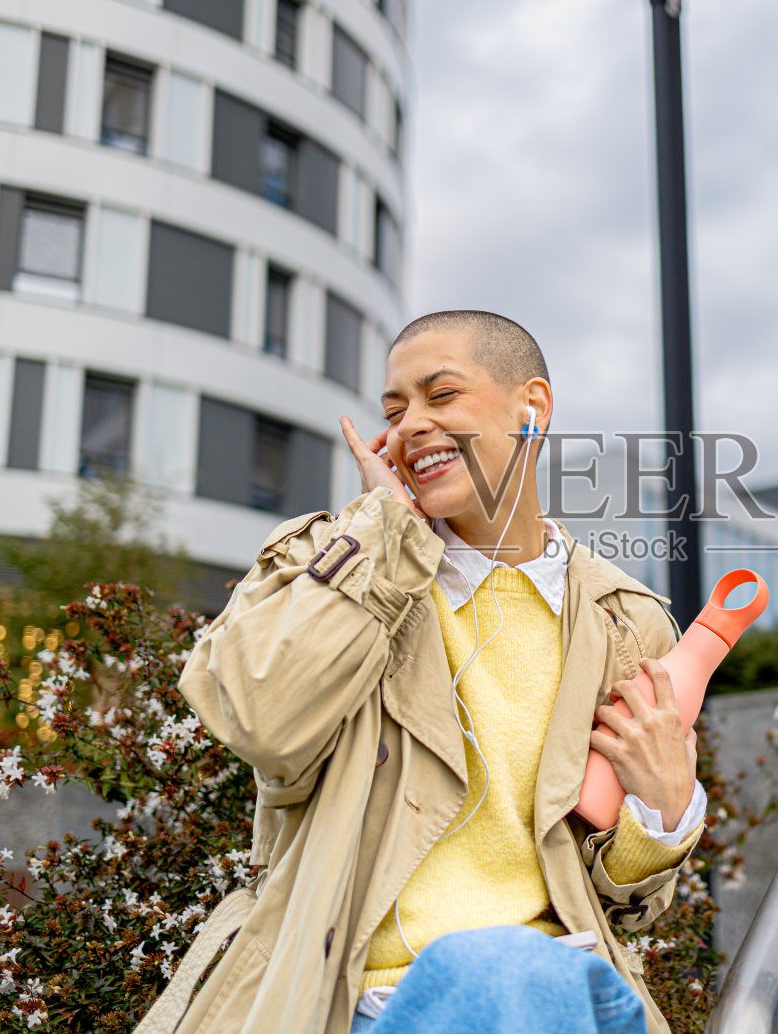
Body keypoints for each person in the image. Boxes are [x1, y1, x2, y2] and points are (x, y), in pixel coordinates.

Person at [150, 311, 705, 1034]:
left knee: (517, 973)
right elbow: (261, 719)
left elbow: (619, 903)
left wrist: (662, 812)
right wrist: (385, 532)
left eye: (440, 397)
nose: (411, 424)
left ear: (531, 407)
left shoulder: (624, 623)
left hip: (558, 996)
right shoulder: (329, 561)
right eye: (394, 410)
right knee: (496, 971)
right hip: (352, 1001)